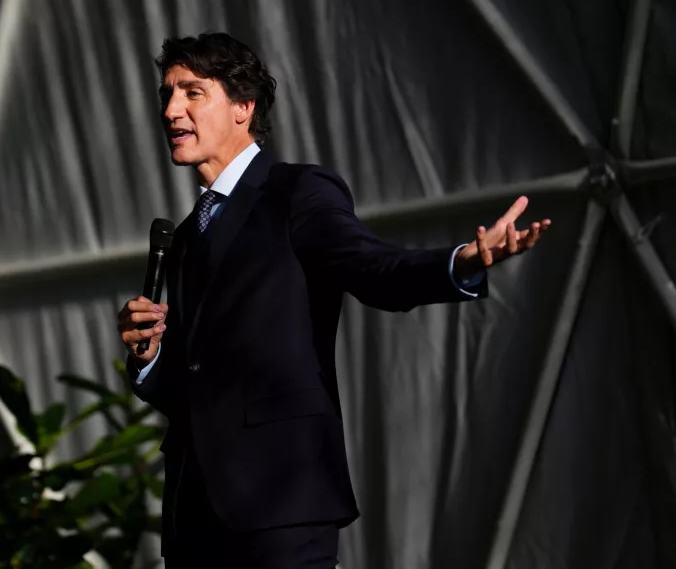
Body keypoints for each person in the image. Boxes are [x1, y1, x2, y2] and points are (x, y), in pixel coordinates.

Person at [116, 33, 551, 568]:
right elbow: (194, 384)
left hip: (282, 498)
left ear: (243, 108)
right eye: (166, 95)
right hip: (194, 514)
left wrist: (460, 261)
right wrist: (149, 354)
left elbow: (375, 270)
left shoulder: (296, 192)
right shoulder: (183, 240)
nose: (171, 109)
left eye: (192, 92)